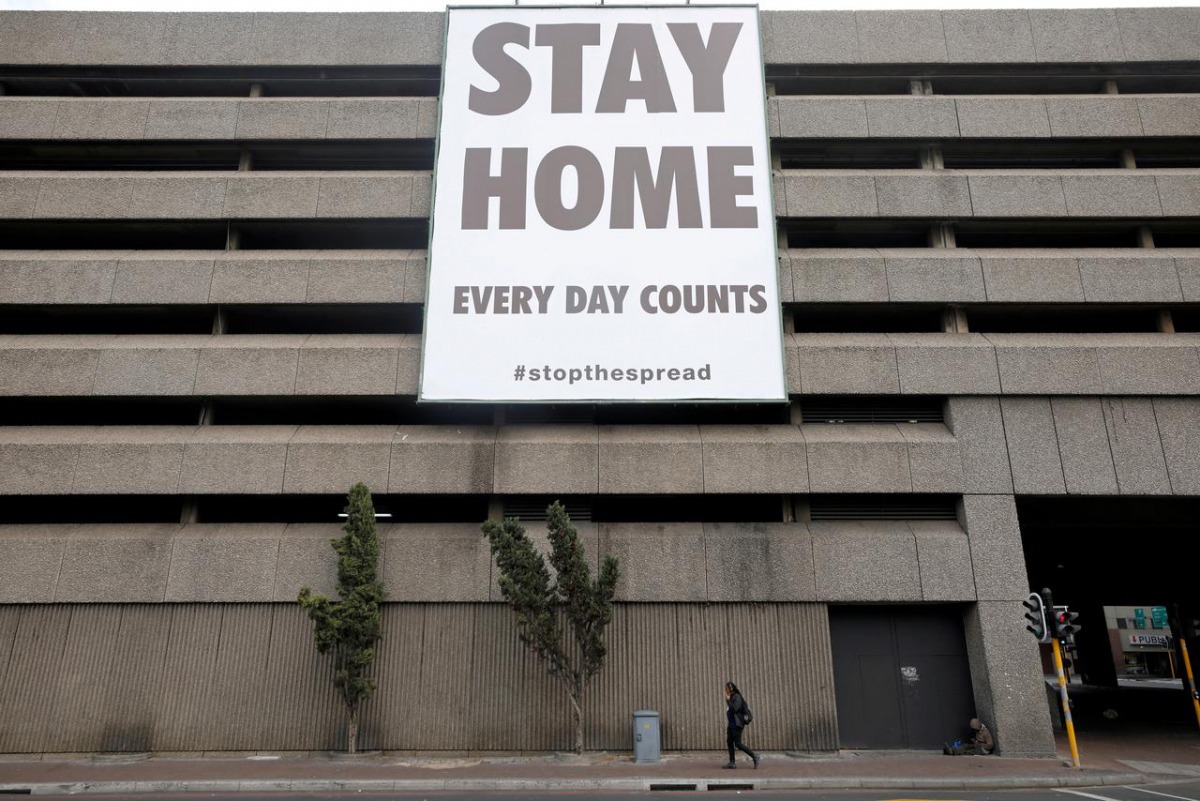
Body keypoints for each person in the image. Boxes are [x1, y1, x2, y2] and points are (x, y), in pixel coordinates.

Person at [722, 681, 760, 769]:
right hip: (731, 724)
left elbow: (735, 709)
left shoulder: (737, 697)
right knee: (729, 742)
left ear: (730, 689)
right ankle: (732, 763)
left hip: (737, 724)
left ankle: (755, 756)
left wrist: (728, 700)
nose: (725, 690)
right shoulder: (731, 697)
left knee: (738, 744)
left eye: (726, 689)